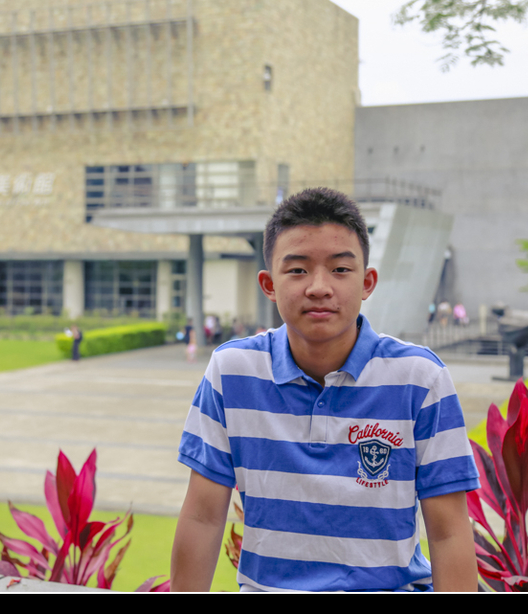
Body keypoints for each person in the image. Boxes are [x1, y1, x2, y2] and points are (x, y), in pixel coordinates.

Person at [171, 187, 480, 592]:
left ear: (368, 281)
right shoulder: (232, 373)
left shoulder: (420, 378)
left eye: (340, 269)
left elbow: (448, 531)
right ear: (269, 283)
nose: (319, 287)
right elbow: (203, 517)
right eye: (297, 270)